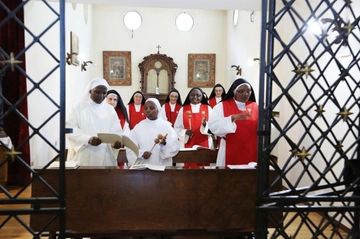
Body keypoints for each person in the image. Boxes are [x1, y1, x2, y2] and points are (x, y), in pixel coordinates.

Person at [66, 78, 123, 166]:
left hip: (105, 155)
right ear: (90, 91)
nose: (101, 95)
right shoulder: (78, 107)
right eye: (97, 92)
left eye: (104, 93)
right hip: (83, 153)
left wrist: (114, 143)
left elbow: (116, 131)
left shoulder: (110, 110)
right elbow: (70, 129)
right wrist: (87, 139)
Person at [208, 78, 258, 166]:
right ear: (234, 92)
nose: (245, 94)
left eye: (248, 91)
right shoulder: (221, 106)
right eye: (241, 91)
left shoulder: (256, 107)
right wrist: (232, 118)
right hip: (229, 149)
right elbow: (213, 126)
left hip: (252, 149)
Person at [126, 98, 180, 166]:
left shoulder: (166, 126)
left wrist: (164, 144)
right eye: (145, 108)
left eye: (152, 108)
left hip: (162, 166)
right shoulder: (138, 127)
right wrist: (141, 154)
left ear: (158, 109)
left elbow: (175, 146)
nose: (148, 110)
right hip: (144, 167)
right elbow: (130, 147)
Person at [174, 87, 213, 167]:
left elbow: (214, 127)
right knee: (188, 166)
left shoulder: (208, 109)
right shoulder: (183, 109)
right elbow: (176, 128)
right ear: (189, 96)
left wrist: (205, 126)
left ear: (202, 97)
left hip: (204, 143)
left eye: (198, 95)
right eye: (192, 95)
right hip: (187, 143)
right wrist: (185, 132)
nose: (195, 97)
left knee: (204, 166)